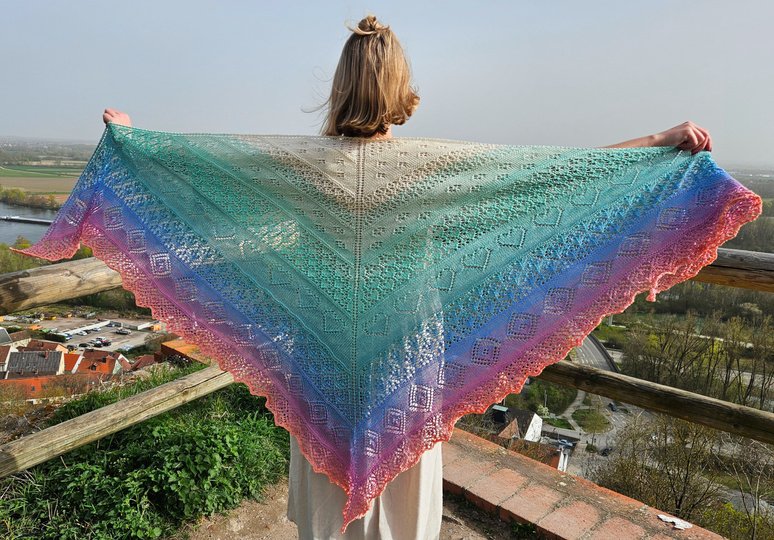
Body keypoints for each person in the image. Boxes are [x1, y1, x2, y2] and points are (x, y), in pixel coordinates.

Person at [102, 14, 714, 540]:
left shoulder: (297, 167)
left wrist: (130, 139)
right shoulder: (431, 169)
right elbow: (562, 176)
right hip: (407, 356)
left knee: (327, 496)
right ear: (400, 88)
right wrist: (659, 141)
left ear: (340, 87)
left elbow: (197, 171)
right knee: (403, 493)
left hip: (321, 352)